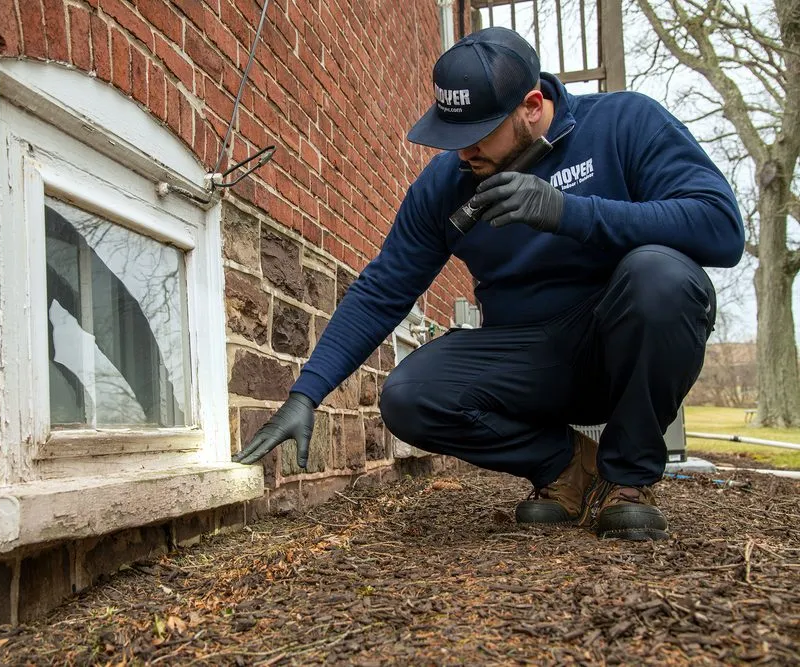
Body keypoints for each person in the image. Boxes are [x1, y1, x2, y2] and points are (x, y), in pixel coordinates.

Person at [233, 27, 744, 541]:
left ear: (531, 104)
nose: (463, 153)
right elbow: (383, 288)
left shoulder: (623, 123)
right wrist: (307, 393)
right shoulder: (446, 185)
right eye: (452, 136)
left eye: (479, 134)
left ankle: (628, 478)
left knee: (661, 276)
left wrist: (570, 212)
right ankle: (567, 470)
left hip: (625, 345)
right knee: (409, 395)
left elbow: (720, 228)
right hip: (531, 362)